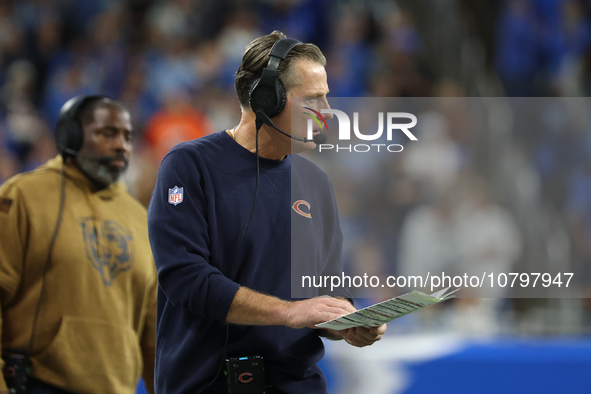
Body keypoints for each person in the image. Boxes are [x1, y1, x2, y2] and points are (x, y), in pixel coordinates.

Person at [148, 31, 387, 394]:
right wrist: (289, 312)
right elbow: (186, 278)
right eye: (313, 99)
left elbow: (325, 288)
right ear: (266, 99)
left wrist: (345, 322)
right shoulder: (188, 165)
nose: (325, 113)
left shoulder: (316, 182)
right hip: (206, 385)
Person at [0, 95, 157, 394]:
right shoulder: (23, 196)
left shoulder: (139, 218)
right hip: (37, 384)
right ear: (69, 136)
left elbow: (152, 332)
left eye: (127, 136)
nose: (121, 145)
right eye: (107, 133)